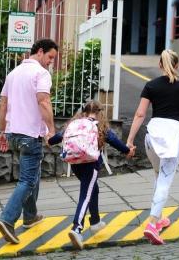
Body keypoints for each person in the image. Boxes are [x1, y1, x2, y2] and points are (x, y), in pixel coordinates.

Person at [126, 49, 179, 245]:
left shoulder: (150, 85)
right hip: (173, 139)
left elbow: (140, 115)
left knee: (158, 175)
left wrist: (130, 140)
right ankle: (151, 224)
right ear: (177, 65)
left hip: (152, 138)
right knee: (164, 181)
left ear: (159, 66)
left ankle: (160, 219)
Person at [48, 100, 133, 250]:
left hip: (75, 163)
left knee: (93, 190)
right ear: (100, 112)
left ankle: (95, 221)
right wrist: (128, 151)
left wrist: (49, 138)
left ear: (85, 111)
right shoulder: (99, 126)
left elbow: (55, 139)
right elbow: (115, 141)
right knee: (86, 195)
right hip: (91, 164)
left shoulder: (75, 124)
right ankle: (77, 228)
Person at [0, 38, 58, 244]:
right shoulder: (40, 74)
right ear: (40, 52)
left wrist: (2, 131)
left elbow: (3, 103)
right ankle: (7, 219)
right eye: (50, 57)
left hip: (13, 134)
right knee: (27, 180)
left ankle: (30, 216)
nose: (51, 62)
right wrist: (51, 130)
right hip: (29, 135)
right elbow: (44, 101)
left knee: (34, 172)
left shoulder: (13, 73)